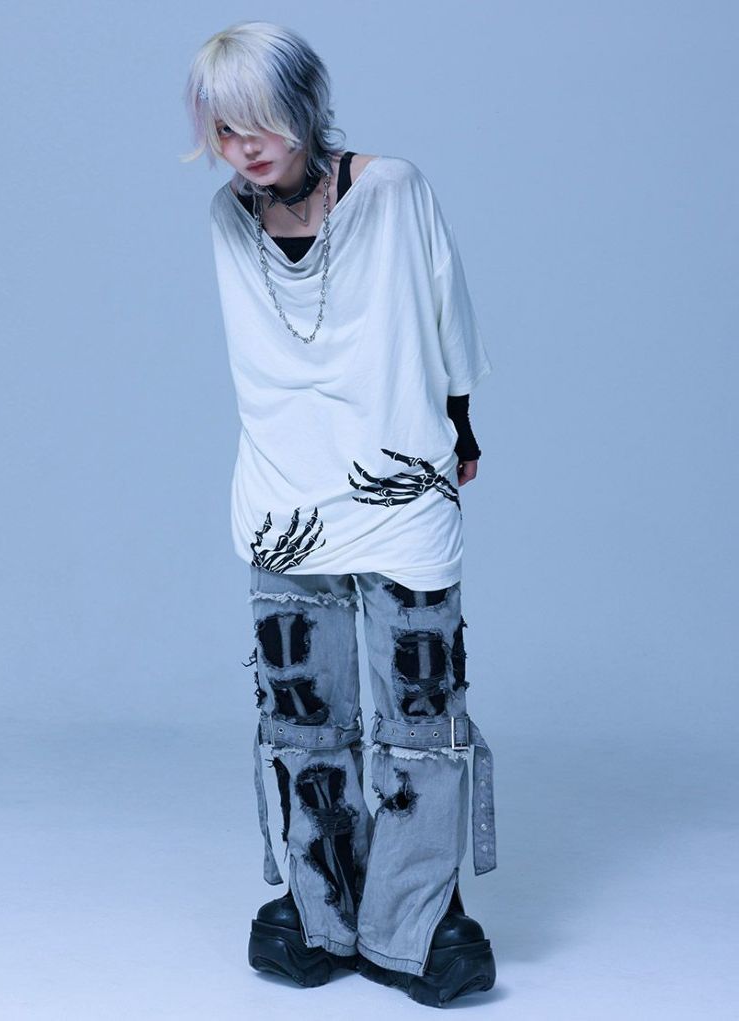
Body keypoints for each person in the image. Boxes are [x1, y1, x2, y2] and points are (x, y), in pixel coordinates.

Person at [183, 20, 497, 1007]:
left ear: (303, 105)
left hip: (400, 485)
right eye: (223, 129)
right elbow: (269, 368)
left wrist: (459, 422)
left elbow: (443, 308)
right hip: (284, 502)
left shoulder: (393, 190)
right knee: (301, 717)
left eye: (259, 121)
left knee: (421, 713)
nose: (243, 146)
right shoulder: (226, 218)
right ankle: (320, 911)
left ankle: (413, 918)